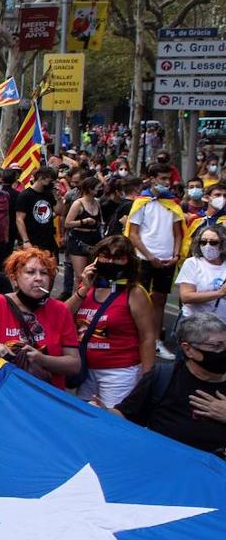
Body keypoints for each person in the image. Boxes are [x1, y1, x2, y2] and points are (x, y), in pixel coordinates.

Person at [0, 247, 81, 387]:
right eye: (30, 272)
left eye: (44, 273)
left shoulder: (60, 310)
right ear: (14, 279)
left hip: (47, 396)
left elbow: (74, 365)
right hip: (7, 395)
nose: (38, 278)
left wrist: (42, 359)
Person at [113, 313, 226, 459]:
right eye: (217, 346)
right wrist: (98, 412)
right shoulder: (163, 377)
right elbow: (127, 415)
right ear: (188, 349)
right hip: (164, 468)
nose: (224, 350)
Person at [66, 236, 155, 407]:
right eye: (106, 255)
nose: (111, 261)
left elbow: (148, 337)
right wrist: (83, 289)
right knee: (84, 419)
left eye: (119, 257)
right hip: (86, 371)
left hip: (120, 373)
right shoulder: (87, 287)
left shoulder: (135, 293)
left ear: (129, 261)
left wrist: (147, 377)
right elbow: (62, 316)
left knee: (113, 421)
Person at [125, 163, 183, 359]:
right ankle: (135, 338)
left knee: (160, 300)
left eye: (169, 179)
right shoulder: (142, 202)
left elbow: (178, 234)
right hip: (144, 259)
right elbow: (133, 234)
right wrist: (149, 256)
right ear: (152, 179)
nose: (166, 183)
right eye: (162, 179)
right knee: (138, 299)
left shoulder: (173, 203)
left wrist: (175, 256)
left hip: (167, 260)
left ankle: (157, 341)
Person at [176, 223, 226, 323]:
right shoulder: (192, 263)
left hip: (221, 325)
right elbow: (186, 297)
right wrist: (219, 293)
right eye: (203, 242)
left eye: (213, 242)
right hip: (194, 323)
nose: (207, 246)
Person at [64, 176, 104, 292]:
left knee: (93, 273)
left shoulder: (97, 202)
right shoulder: (78, 204)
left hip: (95, 239)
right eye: (97, 188)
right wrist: (84, 221)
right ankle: (79, 300)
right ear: (90, 189)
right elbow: (67, 223)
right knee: (81, 276)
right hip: (79, 240)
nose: (99, 190)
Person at [14, 166, 59, 257]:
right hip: (32, 240)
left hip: (48, 240)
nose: (51, 184)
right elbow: (19, 219)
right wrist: (26, 241)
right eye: (50, 181)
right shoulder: (25, 196)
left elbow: (58, 211)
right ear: (41, 178)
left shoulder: (48, 194)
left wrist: (58, 197)